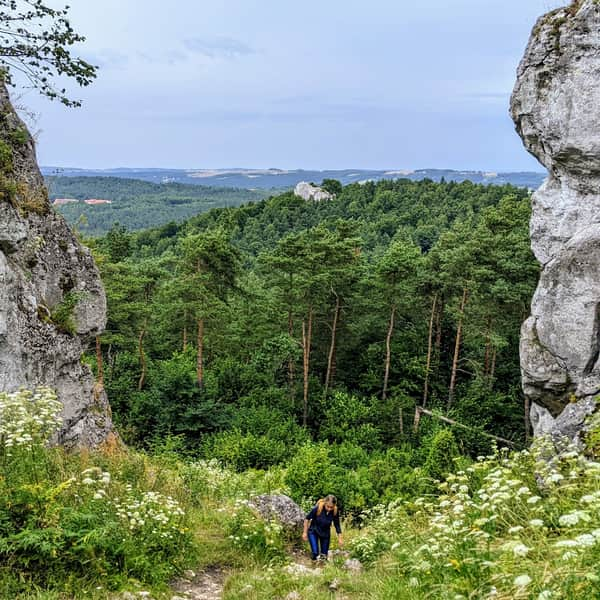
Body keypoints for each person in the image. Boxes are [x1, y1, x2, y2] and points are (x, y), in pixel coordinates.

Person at [302, 494, 343, 561]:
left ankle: (320, 568)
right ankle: (313, 565)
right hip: (313, 531)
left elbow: (337, 525)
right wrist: (304, 532)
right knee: (315, 553)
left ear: (334, 506)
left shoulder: (335, 511)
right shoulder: (318, 508)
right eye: (328, 506)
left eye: (331, 507)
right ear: (325, 503)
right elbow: (307, 519)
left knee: (324, 556)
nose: (329, 509)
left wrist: (340, 538)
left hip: (325, 533)